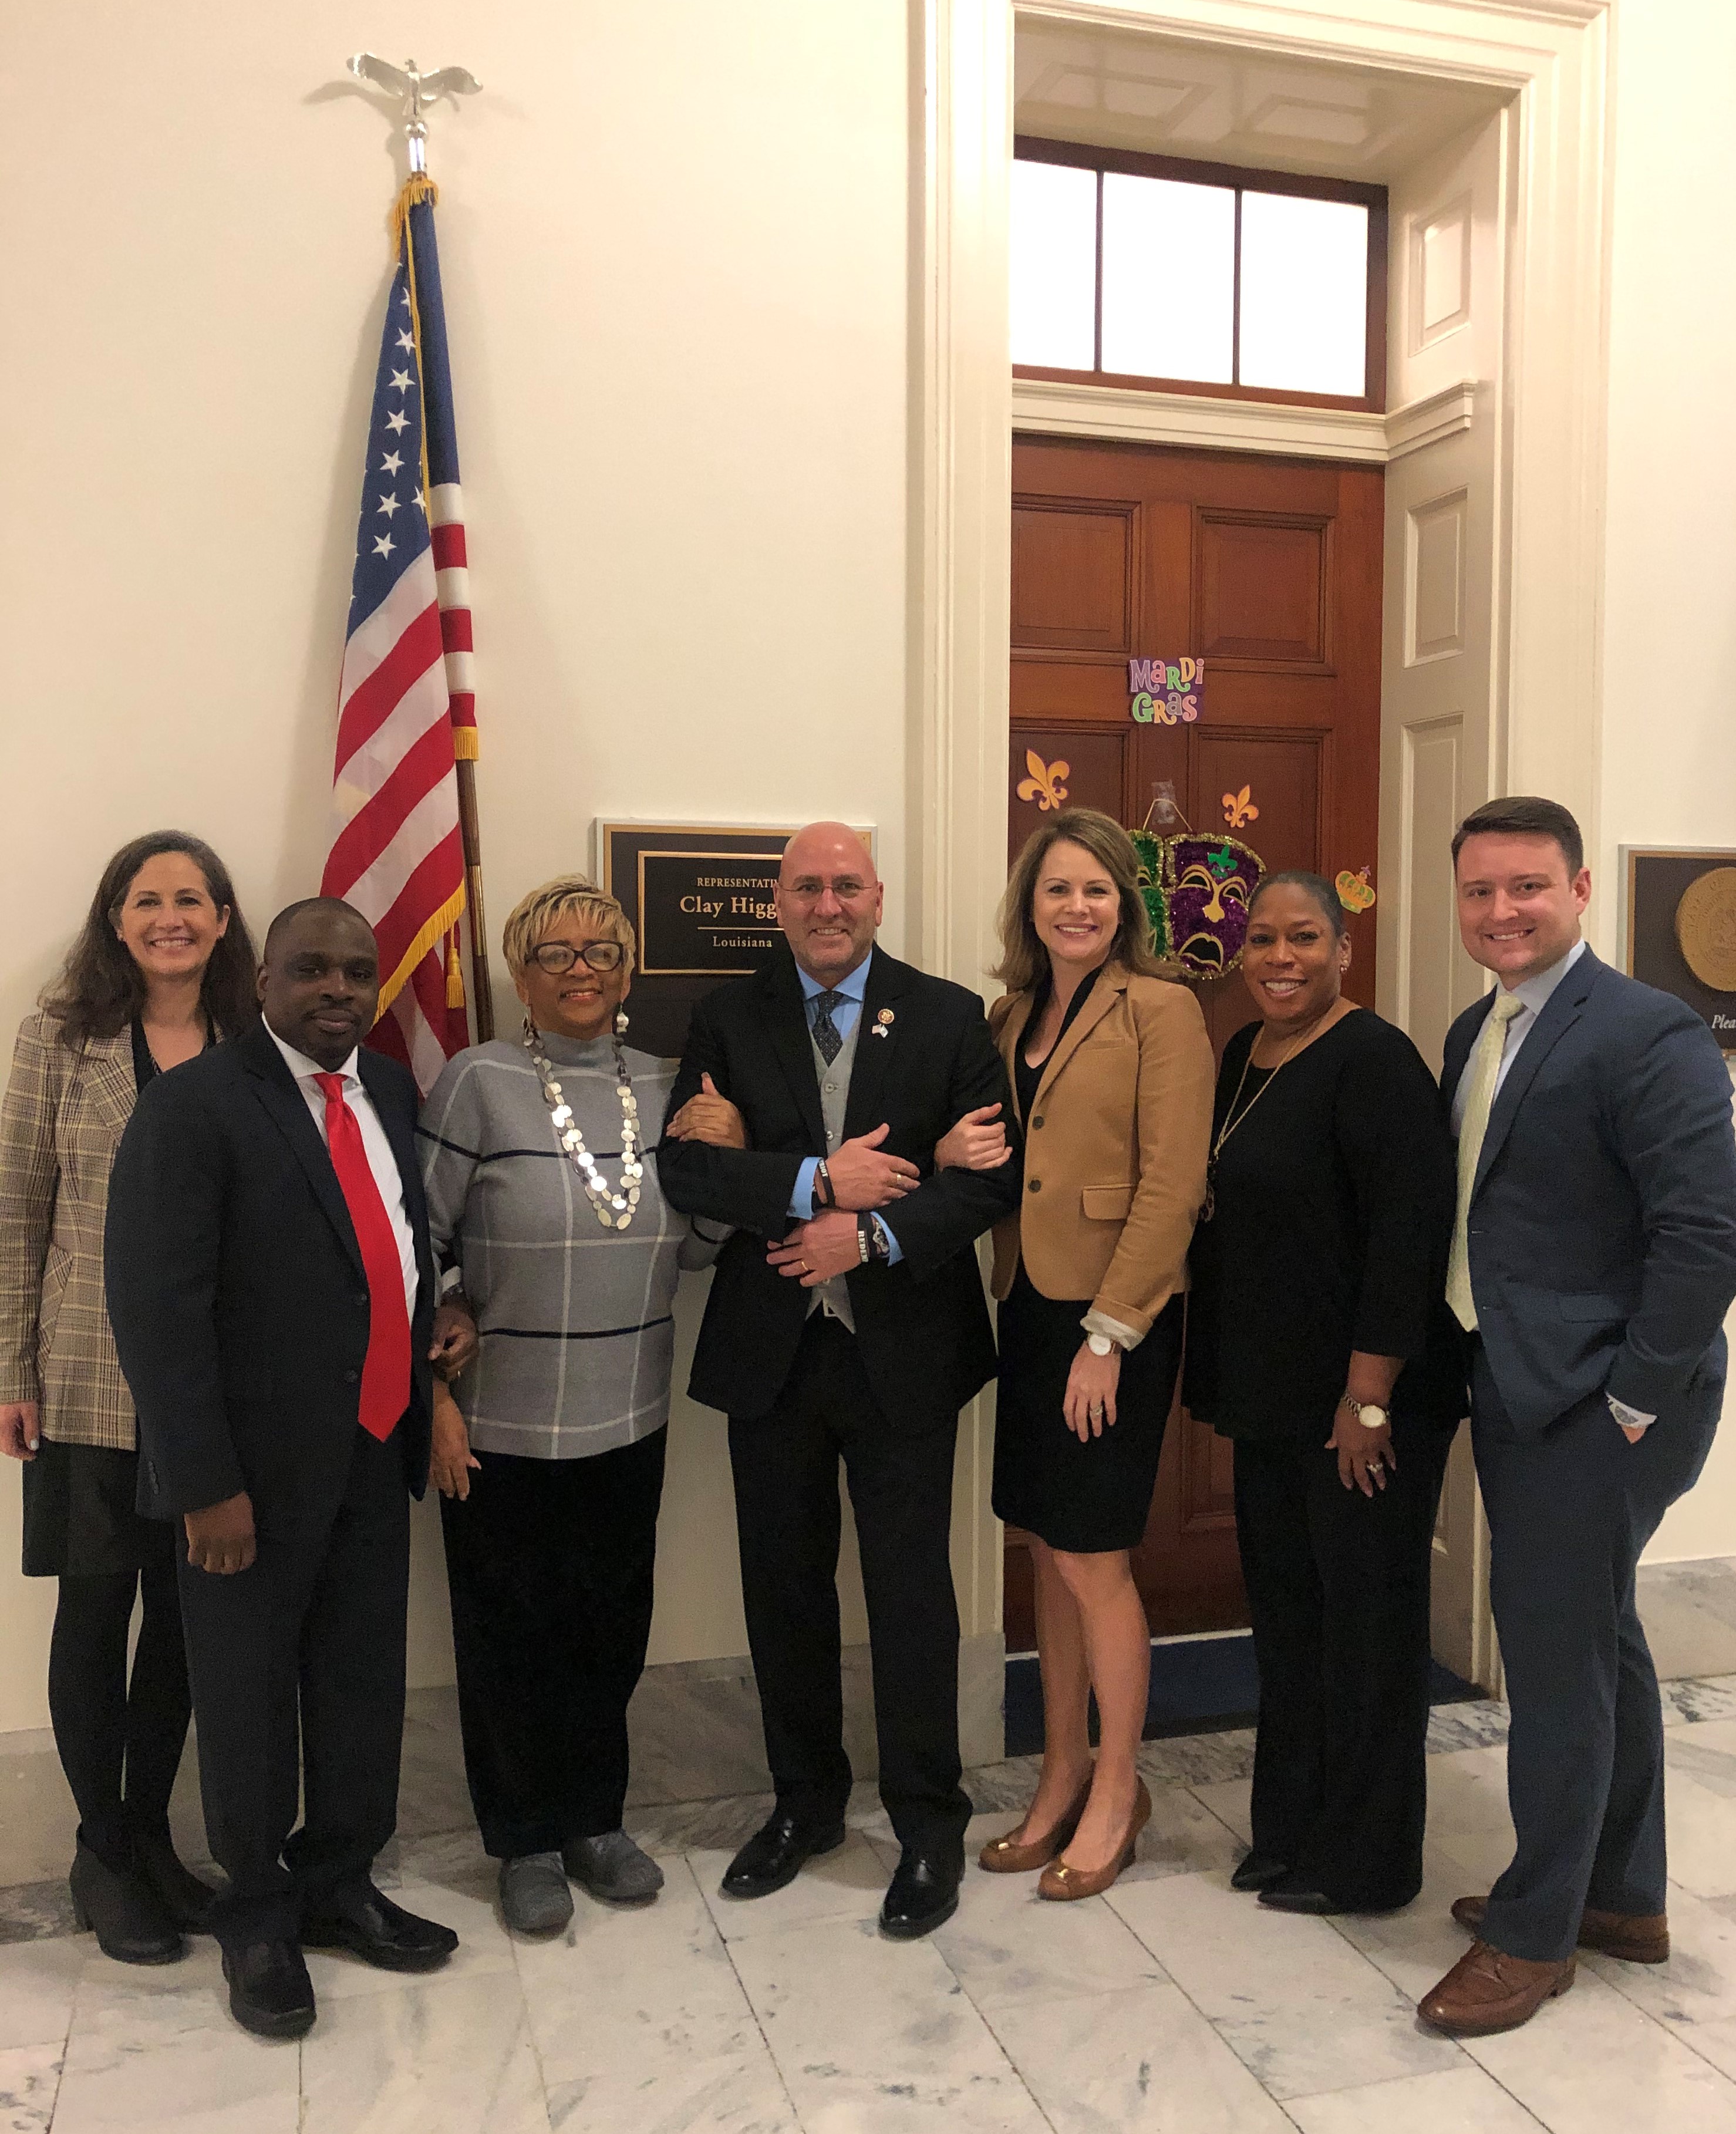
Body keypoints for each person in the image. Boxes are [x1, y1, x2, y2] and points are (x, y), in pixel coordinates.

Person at [103, 898, 477, 2042]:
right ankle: (257, 1914)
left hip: (373, 1448)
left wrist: (431, 1350)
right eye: (310, 969)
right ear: (262, 979)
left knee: (361, 1681)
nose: (337, 991)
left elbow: (386, 1256)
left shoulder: (390, 1088)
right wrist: (200, 1481)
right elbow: (157, 1309)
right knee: (248, 1696)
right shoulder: (196, 1106)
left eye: (356, 973)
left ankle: (338, 1880)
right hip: (247, 1480)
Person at [658, 821, 1021, 1939]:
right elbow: (686, 1165)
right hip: (774, 1356)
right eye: (807, 886)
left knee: (912, 1594)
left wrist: (861, 1239)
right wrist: (820, 1179)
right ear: (778, 900)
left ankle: (927, 1823)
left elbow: (987, 1184)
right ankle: (804, 1806)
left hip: (904, 1353)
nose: (828, 904)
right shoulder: (726, 1014)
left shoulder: (950, 1014)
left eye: (846, 886)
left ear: (877, 897)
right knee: (784, 1590)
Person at [1417, 797, 1736, 2036]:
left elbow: (1704, 1234)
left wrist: (1636, 1398)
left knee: (1553, 1665)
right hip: (1517, 1380)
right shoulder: (1474, 1030)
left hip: (1603, 1401)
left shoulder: (1647, 1031)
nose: (1502, 911)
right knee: (1597, 1637)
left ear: (1582, 889)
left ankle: (1534, 1933)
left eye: (1528, 888)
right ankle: (1622, 1896)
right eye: (1482, 891)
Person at [419, 876, 727, 1935]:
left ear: (630, 970)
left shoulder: (667, 1083)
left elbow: (694, 1249)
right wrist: (433, 1391)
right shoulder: (477, 1083)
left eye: (602, 950)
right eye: (556, 953)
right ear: (520, 974)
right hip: (498, 1424)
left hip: (628, 1415)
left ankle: (595, 1818)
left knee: (608, 1626)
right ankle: (524, 1840)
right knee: (510, 1636)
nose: (582, 968)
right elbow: (417, 1249)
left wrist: (721, 1163)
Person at [1182, 871, 1464, 1917]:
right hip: (1271, 1400)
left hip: (1360, 1408)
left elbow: (1406, 1241)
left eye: (1304, 938)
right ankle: (1289, 1828)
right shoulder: (1242, 1054)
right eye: (1262, 940)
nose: (1281, 957)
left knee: (1367, 1631)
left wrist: (1369, 1400)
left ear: (1343, 949)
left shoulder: (1376, 1062)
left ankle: (1369, 1861)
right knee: (1290, 1622)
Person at [0, 832, 258, 1964]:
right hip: (89, 1387)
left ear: (222, 916)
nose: (170, 918)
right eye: (146, 900)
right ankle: (101, 1849)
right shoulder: (61, 1042)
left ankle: (155, 1836)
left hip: (211, 1389)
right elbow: (16, 1212)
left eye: (189, 899)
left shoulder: (255, 1043)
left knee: (186, 1630)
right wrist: (8, 1373)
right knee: (97, 1615)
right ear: (117, 919)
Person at [960, 808, 1212, 1899]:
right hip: (1025, 1302)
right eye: (1057, 889)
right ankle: (1059, 1772)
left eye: (1097, 890)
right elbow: (992, 1151)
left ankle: (1118, 1787)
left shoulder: (1162, 1009)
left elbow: (1173, 1184)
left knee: (1094, 1557)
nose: (1076, 907)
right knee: (1047, 1551)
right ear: (1030, 902)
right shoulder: (1006, 1011)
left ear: (1127, 905)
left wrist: (1110, 1335)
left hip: (1116, 1316)